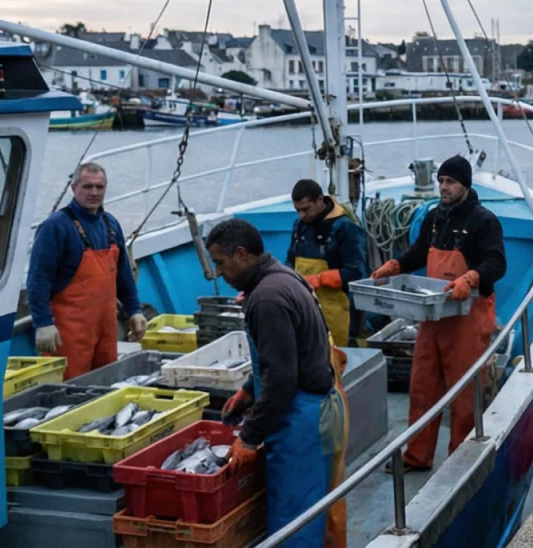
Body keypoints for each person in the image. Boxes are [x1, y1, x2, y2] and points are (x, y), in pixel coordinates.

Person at [211, 218, 347, 548]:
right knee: (317, 513)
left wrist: (248, 437)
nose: (218, 273)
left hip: (303, 422)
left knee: (296, 524)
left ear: (241, 254)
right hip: (319, 408)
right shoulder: (282, 275)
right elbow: (287, 353)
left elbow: (281, 381)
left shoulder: (267, 299)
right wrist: (248, 388)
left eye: (220, 262)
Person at [369, 155, 506, 471]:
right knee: (422, 387)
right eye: (441, 181)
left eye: (450, 182)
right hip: (433, 316)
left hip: (467, 319)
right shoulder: (434, 217)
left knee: (463, 395)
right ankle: (417, 456)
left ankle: (461, 460)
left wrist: (471, 278)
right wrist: (397, 265)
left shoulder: (484, 221)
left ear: (464, 185)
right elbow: (419, 252)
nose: (444, 187)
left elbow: (497, 263)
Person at [27, 162, 147, 379]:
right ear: (73, 189)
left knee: (105, 383)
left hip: (106, 329)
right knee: (70, 390)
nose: (94, 193)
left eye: (99, 187)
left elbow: (124, 277)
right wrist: (43, 323)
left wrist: (134, 310)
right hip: (68, 333)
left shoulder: (110, 224)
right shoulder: (55, 226)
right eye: (87, 187)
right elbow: (38, 280)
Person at [287, 178, 371, 348]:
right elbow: (290, 260)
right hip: (305, 307)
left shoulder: (345, 228)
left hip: (338, 311)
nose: (302, 215)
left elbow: (356, 272)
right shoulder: (299, 226)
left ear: (320, 200)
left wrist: (319, 279)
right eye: (298, 211)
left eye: (306, 209)